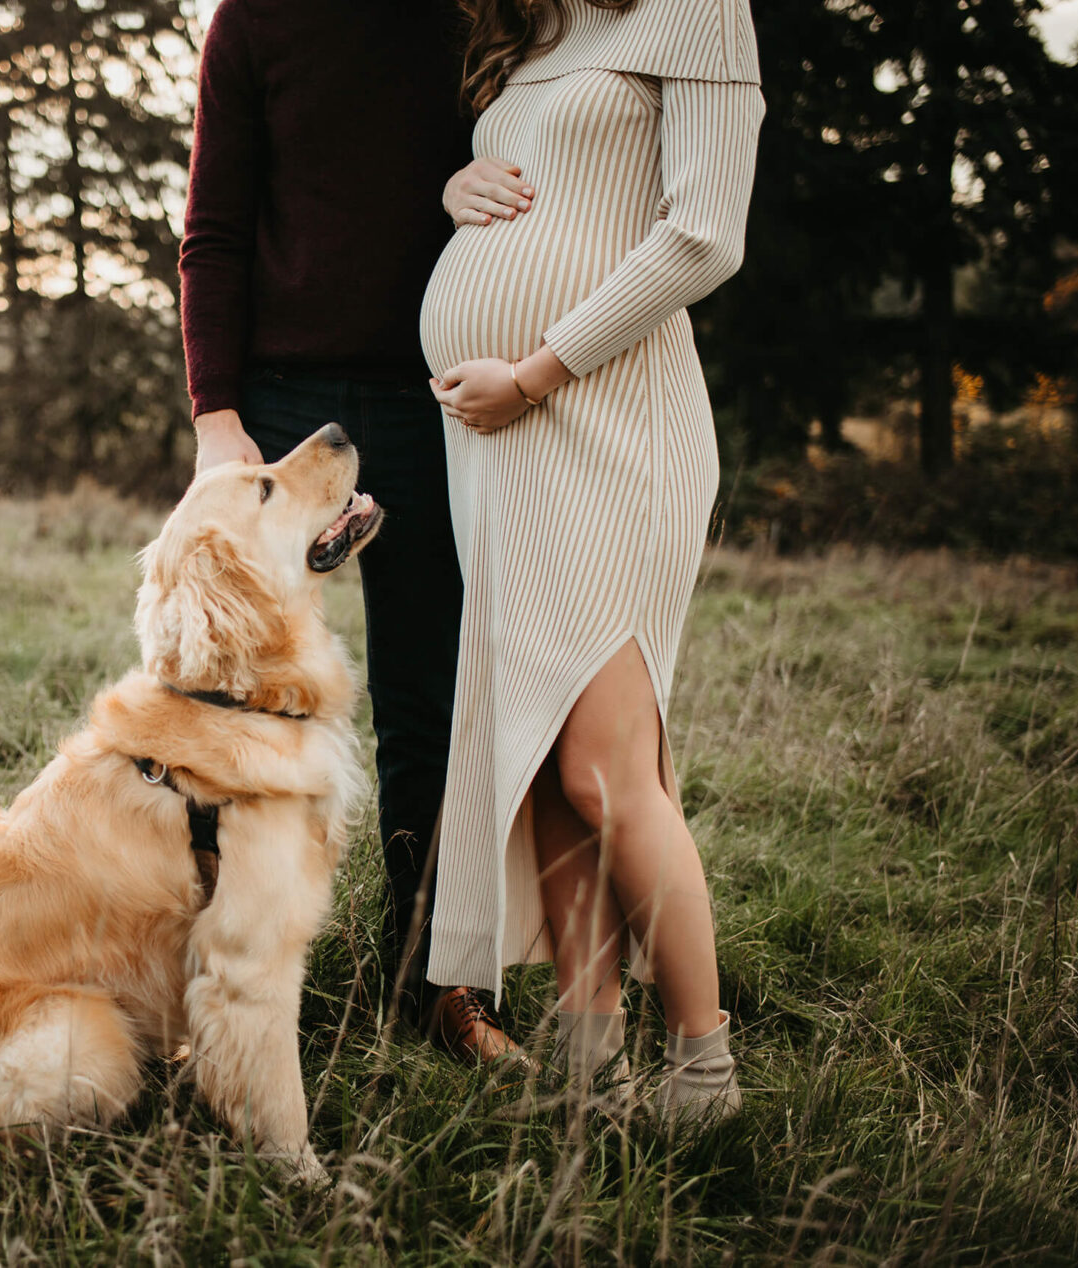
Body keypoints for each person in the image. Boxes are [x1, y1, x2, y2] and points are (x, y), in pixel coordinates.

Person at [419, 0, 764, 1122]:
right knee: (546, 763)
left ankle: (703, 1075)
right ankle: (589, 1067)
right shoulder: (531, 30)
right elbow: (554, 187)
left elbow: (705, 234)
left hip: (607, 420)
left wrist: (535, 372)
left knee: (606, 773)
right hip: (498, 446)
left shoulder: (697, 10)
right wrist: (456, 189)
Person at [179, 0, 533, 1062]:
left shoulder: (477, 15)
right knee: (229, 687)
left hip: (438, 393)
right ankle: (201, 961)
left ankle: (437, 981)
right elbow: (213, 231)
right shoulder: (252, 20)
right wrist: (216, 418)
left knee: (433, 699)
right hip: (280, 405)